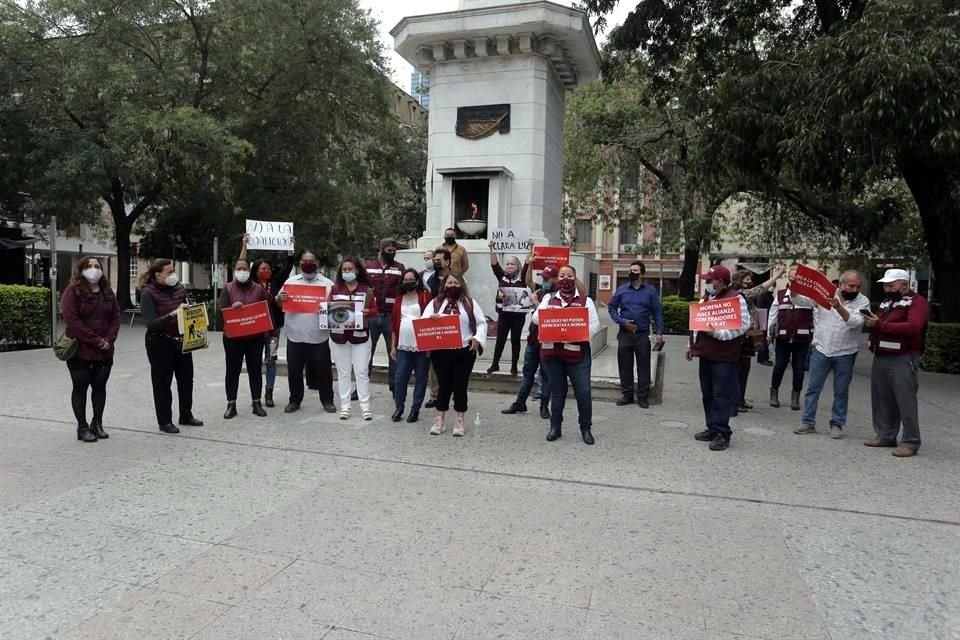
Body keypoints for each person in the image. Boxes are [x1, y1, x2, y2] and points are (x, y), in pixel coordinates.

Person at [794, 270, 870, 438]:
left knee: (841, 391)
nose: (855, 289)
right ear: (841, 284)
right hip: (821, 349)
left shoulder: (863, 301)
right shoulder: (826, 293)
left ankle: (837, 424)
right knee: (813, 388)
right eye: (851, 286)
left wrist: (838, 307)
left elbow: (855, 322)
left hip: (846, 352)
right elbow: (801, 301)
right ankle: (808, 422)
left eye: (858, 286)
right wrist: (793, 289)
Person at [863, 268, 930, 457]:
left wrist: (880, 325)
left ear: (904, 284)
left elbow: (914, 327)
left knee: (905, 399)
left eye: (891, 285)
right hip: (881, 354)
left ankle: (910, 441)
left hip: (904, 356)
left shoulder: (918, 302)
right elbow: (878, 324)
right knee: (882, 398)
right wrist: (872, 325)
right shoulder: (886, 302)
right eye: (885, 285)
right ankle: (885, 435)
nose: (887, 288)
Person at [532, 265, 601, 444]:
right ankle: (555, 427)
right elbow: (535, 319)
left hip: (577, 354)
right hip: (552, 355)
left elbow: (594, 325)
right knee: (557, 392)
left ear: (575, 278)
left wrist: (574, 329)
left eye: (569, 275)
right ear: (557, 279)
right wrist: (552, 316)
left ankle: (586, 428)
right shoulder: (549, 298)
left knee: (583, 392)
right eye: (562, 276)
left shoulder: (586, 301)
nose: (565, 279)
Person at [685, 265, 751, 451]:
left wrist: (718, 335)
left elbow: (743, 326)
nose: (707, 283)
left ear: (721, 282)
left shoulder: (736, 298)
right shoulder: (706, 298)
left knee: (722, 395)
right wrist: (691, 346)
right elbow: (696, 324)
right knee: (708, 393)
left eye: (710, 280)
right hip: (706, 353)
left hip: (724, 356)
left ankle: (723, 432)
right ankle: (712, 427)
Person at [60, 256, 121, 442]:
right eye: (89, 266)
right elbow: (73, 321)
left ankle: (98, 423)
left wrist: (109, 339)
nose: (94, 269)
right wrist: (96, 340)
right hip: (80, 350)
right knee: (80, 388)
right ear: (81, 270)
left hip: (104, 351)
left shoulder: (107, 292)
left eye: (97, 266)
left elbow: (116, 317)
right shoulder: (72, 292)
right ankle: (82, 426)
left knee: (100, 387)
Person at [139, 259, 203, 434]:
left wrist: (199, 336)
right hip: (159, 341)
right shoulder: (148, 293)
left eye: (173, 271)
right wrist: (173, 314)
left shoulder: (179, 289)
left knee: (186, 379)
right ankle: (164, 420)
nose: (173, 275)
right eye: (169, 272)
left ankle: (186, 414)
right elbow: (151, 323)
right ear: (157, 274)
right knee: (162, 382)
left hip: (181, 339)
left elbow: (190, 313)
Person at [423, 273, 487, 436]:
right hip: (441, 350)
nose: (452, 285)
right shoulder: (436, 303)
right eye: (449, 282)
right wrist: (432, 319)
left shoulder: (469, 303)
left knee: (460, 385)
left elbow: (481, 323)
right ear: (444, 285)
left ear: (461, 285)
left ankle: (459, 419)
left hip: (464, 350)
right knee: (443, 384)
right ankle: (440, 419)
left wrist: (477, 338)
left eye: (455, 282)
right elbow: (423, 322)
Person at [276, 251, 337, 414]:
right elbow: (278, 301)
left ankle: (327, 400)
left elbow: (335, 308)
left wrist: (326, 307)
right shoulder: (291, 282)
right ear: (300, 262)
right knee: (294, 370)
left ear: (316, 263)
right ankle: (294, 400)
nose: (308, 263)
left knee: (324, 370)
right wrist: (279, 298)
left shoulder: (327, 284)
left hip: (319, 335)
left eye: (311, 260)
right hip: (295, 334)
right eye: (305, 260)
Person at [240, 233, 295, 407]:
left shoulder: (277, 281)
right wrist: (244, 246)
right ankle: (255, 394)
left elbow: (289, 266)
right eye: (263, 269)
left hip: (273, 328)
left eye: (269, 269)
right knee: (255, 361)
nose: (267, 271)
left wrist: (290, 248)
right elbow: (240, 265)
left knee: (271, 359)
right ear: (255, 271)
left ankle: (269, 393)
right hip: (255, 328)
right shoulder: (249, 284)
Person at [502, 265, 559, 419]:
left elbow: (550, 318)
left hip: (548, 341)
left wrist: (536, 303)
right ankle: (520, 402)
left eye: (547, 279)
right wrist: (530, 262)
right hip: (534, 339)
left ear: (555, 279)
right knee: (528, 372)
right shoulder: (540, 291)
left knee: (546, 374)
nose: (544, 281)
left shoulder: (559, 296)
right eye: (543, 278)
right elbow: (528, 281)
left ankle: (544, 406)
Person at [608, 261, 664, 408]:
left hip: (642, 334)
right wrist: (622, 321)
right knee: (625, 366)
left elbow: (657, 312)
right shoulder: (621, 290)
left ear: (642, 274)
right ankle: (627, 395)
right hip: (625, 333)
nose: (632, 272)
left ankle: (642, 397)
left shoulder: (650, 291)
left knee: (643, 366)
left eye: (635, 270)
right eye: (630, 270)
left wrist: (659, 332)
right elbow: (612, 307)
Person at [219, 258, 270, 419]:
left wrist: (269, 334)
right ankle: (231, 404)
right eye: (239, 268)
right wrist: (232, 309)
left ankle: (256, 403)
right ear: (234, 270)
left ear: (249, 271)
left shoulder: (258, 289)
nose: (242, 271)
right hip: (233, 337)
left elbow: (265, 310)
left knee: (255, 370)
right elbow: (221, 311)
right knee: (232, 371)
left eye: (244, 268)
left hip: (255, 338)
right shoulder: (227, 288)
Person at [329, 257, 376, 420]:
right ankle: (345, 406)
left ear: (357, 271)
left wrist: (368, 312)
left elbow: (374, 310)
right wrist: (322, 312)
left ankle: (365, 407)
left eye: (350, 269)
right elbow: (327, 310)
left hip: (360, 336)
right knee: (343, 373)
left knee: (362, 371)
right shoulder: (335, 289)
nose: (347, 272)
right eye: (344, 270)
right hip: (339, 337)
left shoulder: (366, 290)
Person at [732, 267, 783, 412]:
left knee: (744, 369)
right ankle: (736, 400)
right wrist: (776, 276)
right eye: (747, 280)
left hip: (748, 336)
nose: (750, 282)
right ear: (739, 281)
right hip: (742, 337)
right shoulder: (741, 294)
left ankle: (740, 398)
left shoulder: (746, 297)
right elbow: (760, 289)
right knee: (741, 369)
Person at [768, 266, 816, 410]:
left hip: (802, 339)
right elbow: (773, 314)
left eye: (797, 277)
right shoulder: (781, 294)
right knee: (780, 366)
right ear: (788, 278)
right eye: (792, 277)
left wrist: (816, 338)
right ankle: (774, 392)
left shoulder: (809, 296)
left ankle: (795, 397)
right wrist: (769, 334)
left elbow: (817, 317)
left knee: (799, 368)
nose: (794, 279)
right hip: (783, 338)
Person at [390, 268, 433, 423]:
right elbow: (394, 324)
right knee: (400, 377)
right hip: (403, 344)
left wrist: (430, 345)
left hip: (421, 345)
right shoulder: (398, 299)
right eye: (405, 279)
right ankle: (399, 407)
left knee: (421, 377)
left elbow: (430, 322)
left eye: (411, 279)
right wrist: (393, 346)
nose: (408, 281)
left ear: (417, 280)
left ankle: (415, 409)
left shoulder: (425, 297)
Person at [365, 238, 405, 392]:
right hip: (372, 316)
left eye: (394, 251)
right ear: (381, 250)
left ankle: (395, 386)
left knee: (393, 352)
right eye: (389, 251)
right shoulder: (369, 267)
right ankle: (362, 386)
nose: (392, 253)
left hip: (391, 316)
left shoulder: (399, 268)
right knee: (367, 352)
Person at [486, 240, 530, 375]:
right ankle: (495, 364)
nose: (510, 266)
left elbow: (528, 264)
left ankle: (514, 366)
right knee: (500, 340)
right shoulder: (502, 277)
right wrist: (491, 248)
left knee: (515, 341)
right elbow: (494, 265)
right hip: (504, 314)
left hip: (518, 316)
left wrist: (531, 248)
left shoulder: (522, 279)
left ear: (518, 267)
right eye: (508, 264)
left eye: (513, 264)